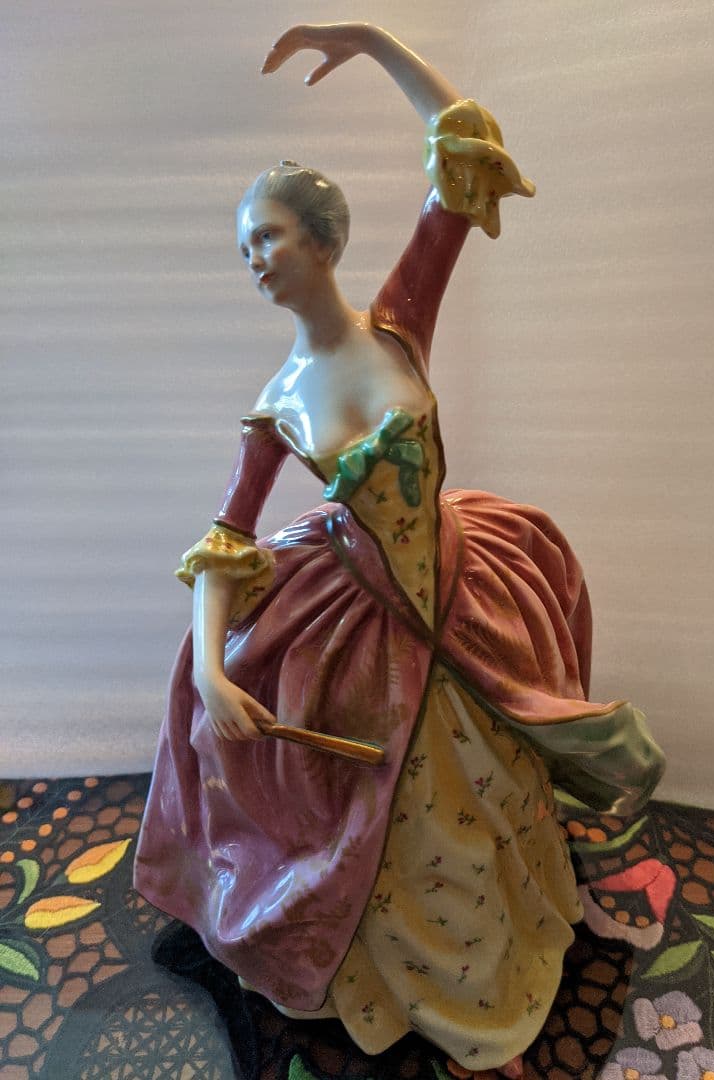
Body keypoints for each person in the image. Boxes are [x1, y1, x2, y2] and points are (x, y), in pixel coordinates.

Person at [134, 23, 663, 1080]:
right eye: (244, 249)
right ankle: (382, 970)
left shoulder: (399, 321)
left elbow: (464, 148)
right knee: (389, 802)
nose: (256, 261)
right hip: (363, 611)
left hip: (461, 579)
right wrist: (213, 674)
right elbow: (227, 540)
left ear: (323, 241)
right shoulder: (278, 406)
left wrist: (375, 43)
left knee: (490, 782)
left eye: (268, 237)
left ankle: (493, 957)